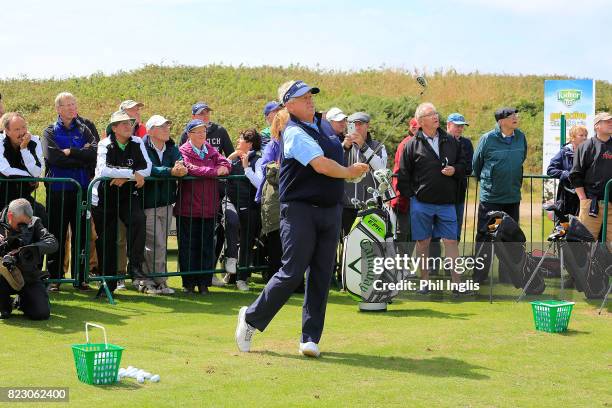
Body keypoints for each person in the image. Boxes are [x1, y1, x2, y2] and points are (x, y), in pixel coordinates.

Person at [235, 80, 369, 358]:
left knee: (321, 274)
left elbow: (335, 149)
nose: (310, 100)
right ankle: (250, 318)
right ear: (289, 104)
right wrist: (350, 172)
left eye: (310, 95)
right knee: (292, 272)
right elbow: (321, 165)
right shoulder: (294, 132)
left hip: (329, 209)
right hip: (300, 210)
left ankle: (310, 338)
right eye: (302, 97)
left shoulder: (322, 126)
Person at [397, 103, 467, 294]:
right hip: (421, 204)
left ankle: (457, 284)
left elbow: (464, 165)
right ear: (420, 121)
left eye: (436, 112)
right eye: (430, 114)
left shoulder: (451, 141)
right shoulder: (411, 145)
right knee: (423, 243)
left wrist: (455, 170)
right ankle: (425, 282)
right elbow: (403, 175)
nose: (436, 116)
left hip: (447, 203)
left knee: (451, 242)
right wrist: (413, 196)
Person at [91, 110, 151, 296]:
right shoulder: (104, 143)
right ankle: (108, 283)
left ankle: (135, 268)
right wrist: (132, 175)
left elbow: (147, 167)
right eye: (123, 123)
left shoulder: (137, 142)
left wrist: (125, 178)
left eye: (130, 123)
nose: (128, 126)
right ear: (114, 128)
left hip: (127, 194)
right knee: (106, 240)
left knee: (138, 220)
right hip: (104, 197)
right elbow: (103, 170)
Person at [41, 92, 97, 291]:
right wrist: (81, 155)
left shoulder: (84, 129)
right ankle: (54, 278)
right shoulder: (49, 131)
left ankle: (80, 278)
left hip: (81, 190)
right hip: (58, 190)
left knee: (81, 235)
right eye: (68, 105)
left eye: (74, 103)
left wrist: (72, 152)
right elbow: (54, 158)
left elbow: (93, 154)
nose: (73, 107)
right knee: (56, 233)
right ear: (58, 109)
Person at [174, 119, 231, 295]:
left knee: (207, 246)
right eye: (197, 132)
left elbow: (226, 163)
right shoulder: (182, 150)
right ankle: (189, 283)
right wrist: (213, 171)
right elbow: (190, 168)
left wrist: (221, 167)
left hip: (208, 207)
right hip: (188, 207)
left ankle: (204, 283)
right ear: (189, 134)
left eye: (203, 131)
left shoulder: (211, 150)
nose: (202, 135)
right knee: (188, 246)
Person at [472, 107, 527, 284]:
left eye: (516, 115)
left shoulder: (520, 137)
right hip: (492, 201)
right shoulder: (488, 139)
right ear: (501, 121)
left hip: (512, 198)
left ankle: (507, 276)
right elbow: (477, 165)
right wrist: (490, 183)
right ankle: (479, 277)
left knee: (510, 238)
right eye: (511, 116)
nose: (515, 118)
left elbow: (521, 159)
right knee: (487, 237)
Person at [141, 115, 188, 295]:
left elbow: (180, 162)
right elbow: (149, 168)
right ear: (151, 130)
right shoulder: (142, 146)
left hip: (167, 201)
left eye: (167, 126)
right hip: (147, 202)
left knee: (160, 243)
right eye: (162, 127)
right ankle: (152, 281)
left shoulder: (171, 146)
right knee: (155, 243)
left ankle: (156, 281)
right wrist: (171, 171)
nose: (167, 129)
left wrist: (181, 168)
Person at [0, 199, 58, 320]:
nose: (23, 227)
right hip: (3, 277)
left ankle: (20, 302)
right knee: (3, 314)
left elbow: (52, 243)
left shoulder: (35, 222)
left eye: (26, 224)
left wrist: (28, 249)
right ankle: (5, 305)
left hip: (28, 276)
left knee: (41, 313)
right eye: (20, 224)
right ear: (10, 216)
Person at [222, 129, 263, 291]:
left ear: (249, 144)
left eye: (241, 140)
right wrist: (229, 159)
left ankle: (242, 278)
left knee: (246, 242)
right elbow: (222, 174)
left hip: (250, 206)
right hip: (231, 201)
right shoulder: (233, 157)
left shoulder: (258, 160)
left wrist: (247, 168)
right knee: (229, 233)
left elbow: (260, 183)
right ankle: (229, 272)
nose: (238, 142)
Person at [341, 112, 388, 237]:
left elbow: (381, 168)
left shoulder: (378, 146)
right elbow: (333, 165)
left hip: (371, 206)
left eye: (360, 124)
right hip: (346, 206)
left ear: (367, 126)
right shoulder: (343, 145)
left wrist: (364, 146)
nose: (356, 127)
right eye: (352, 125)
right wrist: (344, 147)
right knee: (347, 246)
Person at [569, 112, 612, 247]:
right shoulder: (585, 146)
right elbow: (575, 174)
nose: (611, 123)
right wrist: (583, 200)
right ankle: (586, 269)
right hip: (591, 204)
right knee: (585, 246)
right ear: (597, 126)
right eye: (607, 121)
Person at [0, 113, 46, 225]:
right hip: (2, 197)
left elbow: (37, 171)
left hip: (23, 196)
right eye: (16, 129)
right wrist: (30, 177)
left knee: (42, 214)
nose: (22, 132)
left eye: (24, 127)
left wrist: (24, 149)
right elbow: (5, 169)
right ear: (7, 130)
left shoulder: (35, 141)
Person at [547, 125, 588, 218]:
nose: (585, 138)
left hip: (585, 193)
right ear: (572, 138)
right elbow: (550, 170)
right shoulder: (564, 153)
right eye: (581, 135)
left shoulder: (590, 152)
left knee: (583, 225)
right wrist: (565, 174)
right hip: (566, 195)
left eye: (586, 135)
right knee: (564, 226)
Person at [391, 117, 419, 247]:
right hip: (404, 196)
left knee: (414, 233)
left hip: (416, 197)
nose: (417, 130)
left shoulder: (421, 143)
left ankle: (405, 264)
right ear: (411, 128)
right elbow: (402, 171)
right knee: (402, 232)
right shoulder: (406, 144)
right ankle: (400, 264)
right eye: (415, 127)